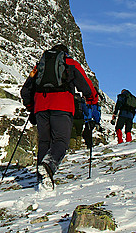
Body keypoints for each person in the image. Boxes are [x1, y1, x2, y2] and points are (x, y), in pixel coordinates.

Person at [20, 44, 98, 183]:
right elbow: (85, 84)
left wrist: (32, 107)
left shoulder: (40, 67)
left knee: (45, 142)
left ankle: (41, 179)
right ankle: (48, 166)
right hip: (62, 106)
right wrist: (92, 99)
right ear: (64, 53)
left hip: (41, 108)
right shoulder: (69, 63)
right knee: (61, 141)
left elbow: (25, 91)